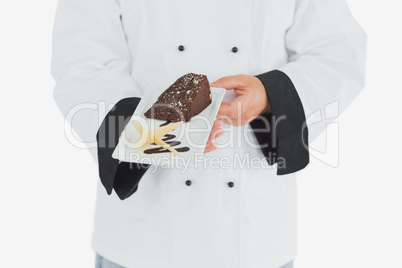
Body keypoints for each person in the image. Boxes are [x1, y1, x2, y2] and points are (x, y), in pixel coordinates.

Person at [51, 0, 367, 267]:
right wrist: (149, 134)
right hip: (142, 238)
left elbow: (337, 54)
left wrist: (269, 96)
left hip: (254, 236)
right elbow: (83, 62)